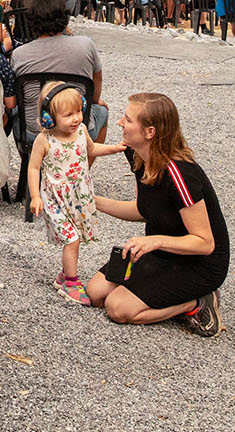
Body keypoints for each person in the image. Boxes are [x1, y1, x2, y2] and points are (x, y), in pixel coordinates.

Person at [85, 93, 226, 337]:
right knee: (95, 292)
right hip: (161, 251)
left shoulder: (181, 174)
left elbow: (205, 243)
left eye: (128, 120)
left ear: (149, 132)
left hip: (198, 263)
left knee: (117, 308)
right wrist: (90, 202)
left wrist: (155, 240)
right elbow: (143, 209)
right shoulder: (138, 155)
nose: (120, 123)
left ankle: (197, 302)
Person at [29, 81, 126, 304]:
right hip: (55, 198)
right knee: (71, 239)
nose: (76, 118)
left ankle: (64, 274)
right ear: (49, 118)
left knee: (76, 238)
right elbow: (33, 168)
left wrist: (114, 149)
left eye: (78, 111)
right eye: (68, 115)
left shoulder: (81, 131)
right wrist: (35, 196)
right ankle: (71, 283)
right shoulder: (45, 140)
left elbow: (92, 149)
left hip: (78, 196)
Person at [10, 0, 108, 139]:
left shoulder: (19, 54)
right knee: (102, 111)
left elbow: (17, 96)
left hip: (35, 130)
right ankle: (85, 159)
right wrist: (94, 99)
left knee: (17, 115)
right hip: (77, 128)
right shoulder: (85, 45)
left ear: (32, 21)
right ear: (64, 17)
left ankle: (30, 159)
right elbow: (97, 78)